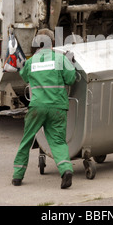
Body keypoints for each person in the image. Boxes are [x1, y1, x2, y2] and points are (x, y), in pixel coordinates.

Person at [12, 29, 77, 189]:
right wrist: (71, 62)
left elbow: (25, 76)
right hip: (57, 107)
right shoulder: (61, 58)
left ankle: (17, 176)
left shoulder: (31, 61)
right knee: (58, 141)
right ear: (52, 43)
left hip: (37, 107)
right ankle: (66, 170)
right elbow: (71, 79)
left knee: (27, 140)